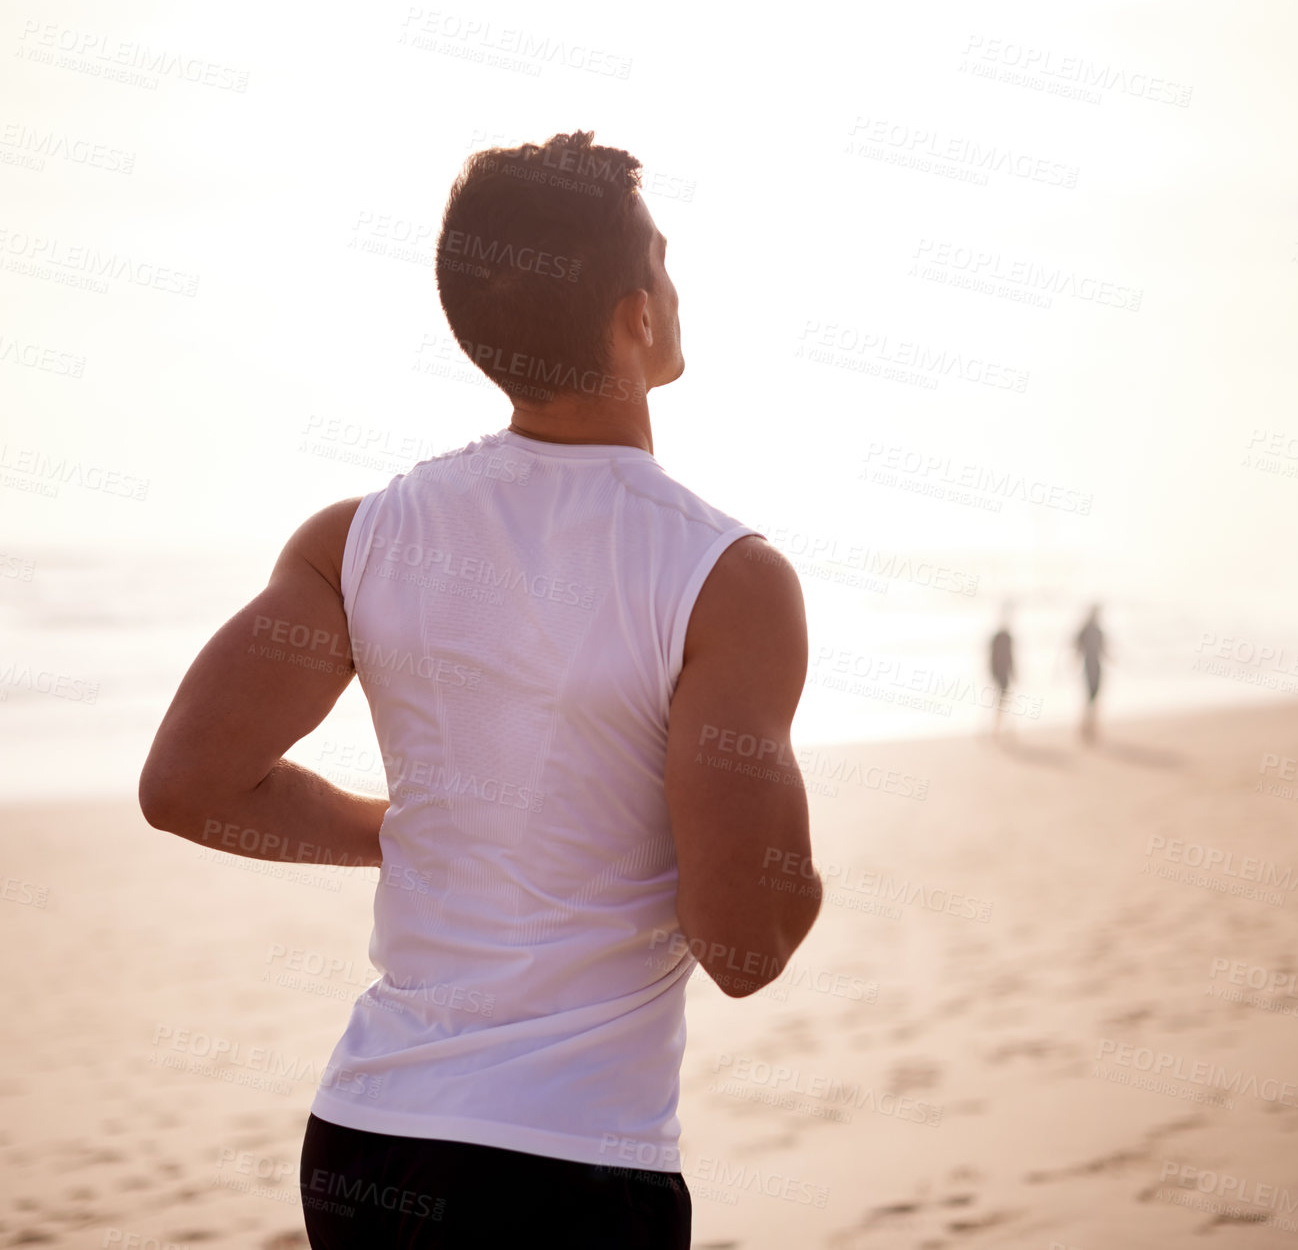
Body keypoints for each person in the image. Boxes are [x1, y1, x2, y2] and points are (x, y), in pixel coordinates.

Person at [138, 130, 823, 1248]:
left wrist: (403, 831)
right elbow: (748, 944)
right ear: (635, 315)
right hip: (570, 1167)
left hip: (364, 1139)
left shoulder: (356, 540)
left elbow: (186, 785)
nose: (672, 282)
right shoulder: (727, 579)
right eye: (661, 257)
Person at [1073, 603, 1108, 743]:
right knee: (1089, 698)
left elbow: (1103, 649)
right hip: (1088, 666)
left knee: (1095, 698)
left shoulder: (1099, 631)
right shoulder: (1085, 630)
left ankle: (1092, 727)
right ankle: (1085, 727)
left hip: (1096, 666)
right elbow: (1077, 648)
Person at [989, 602, 1016, 737]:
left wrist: (1014, 673)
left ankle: (1000, 728)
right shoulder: (998, 637)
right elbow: (993, 657)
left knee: (1002, 701)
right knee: (1001, 701)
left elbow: (1011, 657)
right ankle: (998, 728)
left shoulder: (1007, 637)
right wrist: (993, 672)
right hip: (1000, 672)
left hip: (1002, 672)